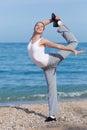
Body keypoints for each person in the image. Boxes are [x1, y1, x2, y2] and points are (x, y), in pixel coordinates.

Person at [27, 13, 85, 122]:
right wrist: (52, 19)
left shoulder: (42, 40)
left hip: (52, 60)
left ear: (43, 31)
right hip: (46, 68)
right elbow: (42, 23)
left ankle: (60, 25)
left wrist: (72, 50)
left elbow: (58, 46)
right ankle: (52, 116)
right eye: (37, 26)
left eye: (41, 27)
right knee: (51, 89)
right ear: (34, 28)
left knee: (73, 42)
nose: (39, 27)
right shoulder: (31, 38)